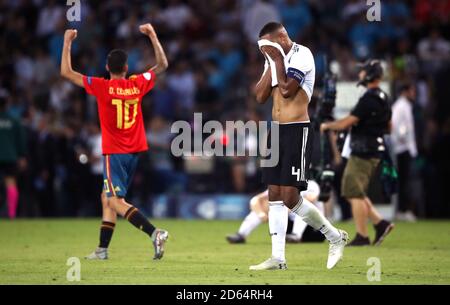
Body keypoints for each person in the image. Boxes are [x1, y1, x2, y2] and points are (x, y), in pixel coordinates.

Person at [60, 24, 169, 260]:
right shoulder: (136, 84)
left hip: (115, 152)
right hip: (134, 152)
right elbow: (162, 65)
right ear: (127, 68)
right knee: (105, 198)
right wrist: (152, 34)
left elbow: (67, 73)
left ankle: (154, 233)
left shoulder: (102, 87)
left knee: (114, 200)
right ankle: (102, 249)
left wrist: (68, 41)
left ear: (107, 67)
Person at [251, 22, 348, 271]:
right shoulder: (274, 60)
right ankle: (278, 258)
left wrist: (277, 60)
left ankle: (335, 236)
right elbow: (260, 95)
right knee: (274, 193)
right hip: (276, 131)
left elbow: (285, 90)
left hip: (297, 130)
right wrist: (271, 62)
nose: (265, 50)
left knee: (291, 198)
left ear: (281, 37)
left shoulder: (301, 55)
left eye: (268, 45)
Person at [321, 60, 395, 246]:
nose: (360, 74)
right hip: (375, 149)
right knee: (356, 190)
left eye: (363, 71)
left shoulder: (369, 98)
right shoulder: (384, 97)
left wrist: (328, 125)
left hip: (363, 150)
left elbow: (348, 122)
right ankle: (380, 223)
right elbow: (389, 127)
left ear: (370, 74)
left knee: (352, 191)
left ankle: (362, 235)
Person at [226, 180, 325, 244]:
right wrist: (261, 214)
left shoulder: (311, 184)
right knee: (263, 208)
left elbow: (309, 200)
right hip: (289, 227)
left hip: (315, 230)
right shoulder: (280, 184)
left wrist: (281, 212)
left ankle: (296, 236)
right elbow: (255, 200)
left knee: (302, 210)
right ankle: (241, 235)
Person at [392, 82, 418, 221]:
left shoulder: (406, 106)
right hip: (402, 148)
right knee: (404, 181)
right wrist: (402, 136)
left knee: (407, 181)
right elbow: (395, 124)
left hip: (406, 148)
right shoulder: (400, 106)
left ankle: (404, 209)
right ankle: (403, 210)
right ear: (405, 91)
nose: (414, 94)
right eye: (412, 91)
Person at [0, 93, 26, 219]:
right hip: (10, 156)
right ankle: (11, 213)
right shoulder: (14, 120)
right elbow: (21, 140)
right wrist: (22, 156)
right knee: (11, 183)